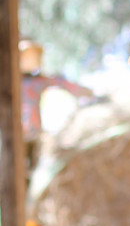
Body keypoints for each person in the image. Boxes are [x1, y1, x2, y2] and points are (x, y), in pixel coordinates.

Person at [19, 39, 93, 175]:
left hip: (33, 134)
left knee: (32, 171)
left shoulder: (38, 81)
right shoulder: (13, 82)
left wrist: (87, 92)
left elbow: (63, 84)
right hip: (16, 135)